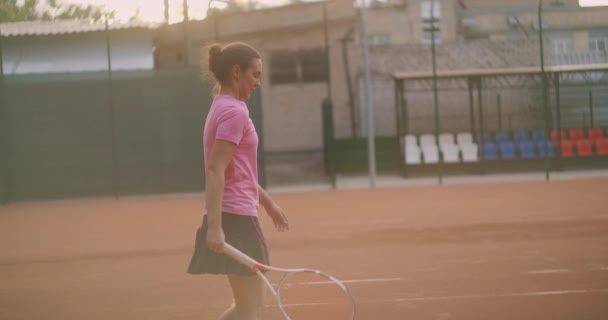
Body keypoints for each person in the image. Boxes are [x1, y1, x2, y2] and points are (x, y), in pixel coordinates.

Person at [187, 42, 289, 320]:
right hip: (236, 219)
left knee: (251, 306)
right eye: (254, 75)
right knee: (250, 308)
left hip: (237, 216)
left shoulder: (223, 106)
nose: (258, 82)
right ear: (236, 72)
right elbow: (215, 169)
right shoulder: (235, 112)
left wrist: (267, 204)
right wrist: (215, 228)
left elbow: (238, 171)